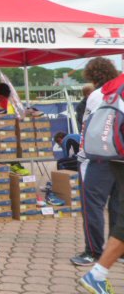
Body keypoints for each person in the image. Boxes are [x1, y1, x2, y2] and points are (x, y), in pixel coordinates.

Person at [71, 58, 120, 269]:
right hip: (121, 157)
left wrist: (82, 156)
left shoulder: (96, 96)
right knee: (118, 206)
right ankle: (117, 251)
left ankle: (93, 252)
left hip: (98, 159)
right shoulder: (121, 92)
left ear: (91, 76)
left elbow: (87, 128)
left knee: (92, 206)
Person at [79, 71, 124, 293]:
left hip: (110, 154)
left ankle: (96, 264)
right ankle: (97, 268)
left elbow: (87, 124)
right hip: (111, 155)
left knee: (110, 209)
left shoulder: (109, 89)